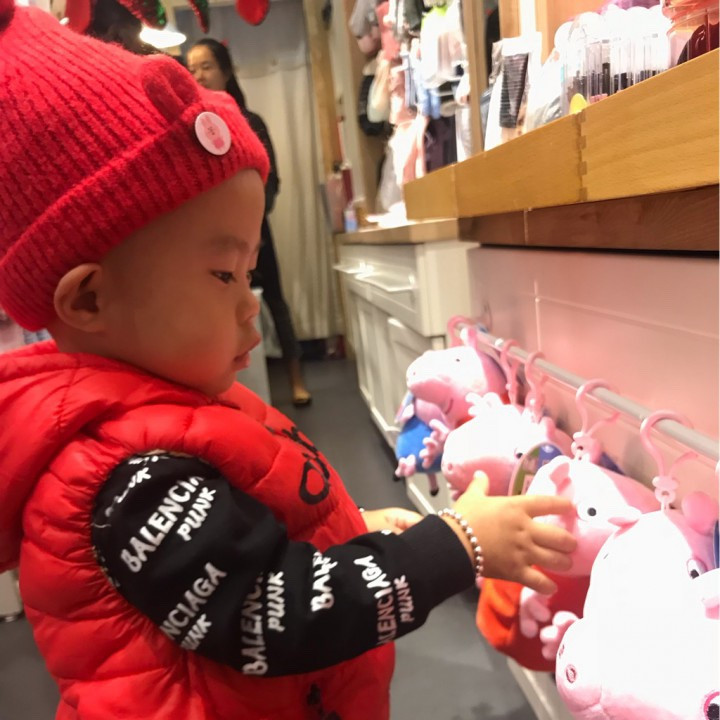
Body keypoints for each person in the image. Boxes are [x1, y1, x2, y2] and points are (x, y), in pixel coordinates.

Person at [0, 4, 578, 719]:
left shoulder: (164, 406)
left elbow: (236, 542)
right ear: (90, 298)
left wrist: (348, 529)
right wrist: (452, 547)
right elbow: (269, 613)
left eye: (249, 274)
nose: (250, 304)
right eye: (223, 275)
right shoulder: (125, 477)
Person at [187, 38, 312, 407]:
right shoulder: (190, 127)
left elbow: (271, 182)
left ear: (226, 71)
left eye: (206, 66)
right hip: (211, 239)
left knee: (274, 301)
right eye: (192, 69)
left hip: (255, 232)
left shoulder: (250, 122)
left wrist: (249, 224)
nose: (198, 75)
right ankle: (229, 390)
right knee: (218, 308)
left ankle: (296, 378)